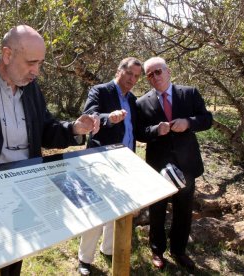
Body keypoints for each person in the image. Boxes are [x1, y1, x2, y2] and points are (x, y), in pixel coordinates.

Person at [0, 25, 100, 276]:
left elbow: (45, 129)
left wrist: (74, 128)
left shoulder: (31, 88)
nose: (37, 71)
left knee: (13, 262)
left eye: (40, 63)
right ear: (7, 54)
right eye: (31, 63)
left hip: (24, 193)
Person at [136, 57, 212, 271]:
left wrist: (188, 122)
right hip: (157, 166)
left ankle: (179, 250)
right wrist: (154, 131)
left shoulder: (189, 93)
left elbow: (206, 119)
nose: (154, 77)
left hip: (186, 164)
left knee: (183, 210)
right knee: (157, 210)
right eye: (149, 74)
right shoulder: (142, 103)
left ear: (168, 71)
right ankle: (157, 250)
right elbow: (141, 133)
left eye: (158, 72)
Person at [77, 57, 143, 275]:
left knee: (117, 208)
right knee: (95, 209)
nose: (132, 80)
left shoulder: (133, 100)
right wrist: (108, 118)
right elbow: (91, 115)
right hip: (99, 161)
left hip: (125, 163)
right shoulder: (100, 91)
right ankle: (85, 259)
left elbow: (135, 130)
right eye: (129, 74)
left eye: (136, 77)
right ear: (119, 71)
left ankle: (108, 249)